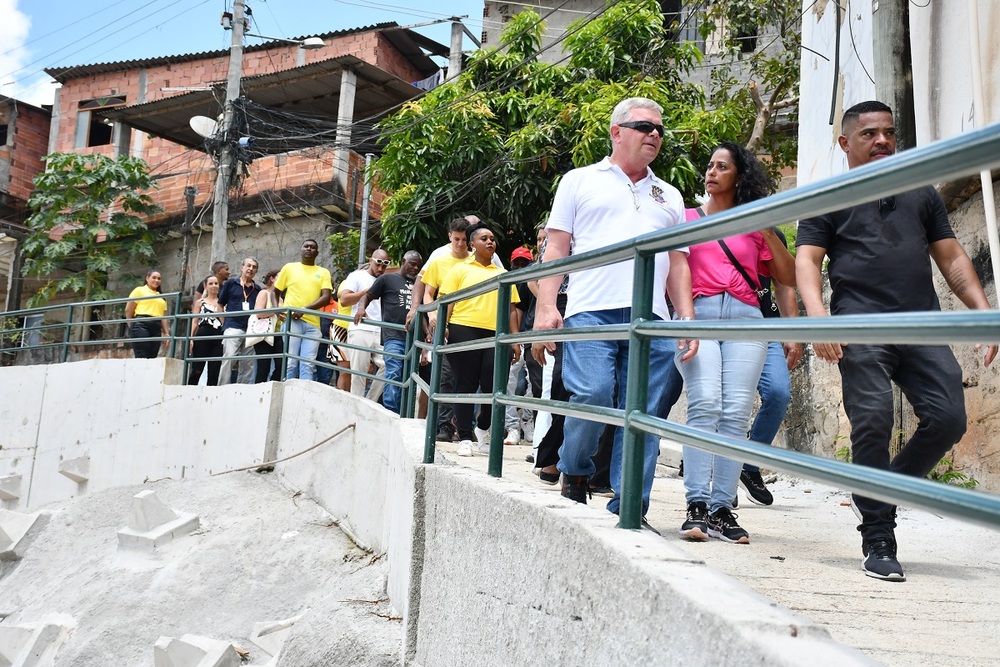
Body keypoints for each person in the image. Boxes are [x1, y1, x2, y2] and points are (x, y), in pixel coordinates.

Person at [796, 100, 997, 581]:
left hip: (920, 324)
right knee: (872, 419)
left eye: (888, 132)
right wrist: (819, 320)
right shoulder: (829, 193)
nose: (882, 140)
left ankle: (876, 494)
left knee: (948, 418)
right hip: (859, 326)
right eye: (869, 134)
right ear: (846, 143)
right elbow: (807, 261)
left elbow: (950, 258)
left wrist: (984, 315)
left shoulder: (919, 189)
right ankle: (879, 534)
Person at [532, 97, 695, 523]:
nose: (655, 134)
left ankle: (630, 509)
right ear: (617, 132)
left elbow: (679, 260)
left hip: (651, 318)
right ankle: (575, 469)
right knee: (594, 394)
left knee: (643, 413)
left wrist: (687, 317)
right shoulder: (579, 180)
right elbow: (557, 247)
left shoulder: (669, 194)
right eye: (644, 126)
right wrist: (546, 306)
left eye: (660, 129)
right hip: (590, 309)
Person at [675, 142, 795, 545]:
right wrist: (684, 321)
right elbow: (675, 273)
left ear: (739, 176)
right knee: (705, 402)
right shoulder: (688, 218)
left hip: (747, 318)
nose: (711, 172)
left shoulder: (754, 223)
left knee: (735, 411)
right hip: (699, 315)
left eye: (721, 166)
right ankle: (696, 503)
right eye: (709, 165)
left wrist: (764, 227)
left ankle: (723, 508)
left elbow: (788, 275)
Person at [439, 224, 519, 456]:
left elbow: (511, 308)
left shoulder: (503, 274)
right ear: (472, 244)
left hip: (496, 333)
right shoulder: (459, 269)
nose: (490, 242)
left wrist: (514, 340)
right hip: (463, 328)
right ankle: (464, 436)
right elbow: (448, 301)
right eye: (484, 238)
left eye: (493, 238)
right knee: (465, 384)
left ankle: (483, 428)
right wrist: (444, 326)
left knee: (493, 387)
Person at [739, 233, 803, 506]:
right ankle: (722, 478)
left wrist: (793, 333)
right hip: (723, 323)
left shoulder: (771, 233)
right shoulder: (713, 220)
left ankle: (749, 464)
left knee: (778, 392)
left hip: (765, 325)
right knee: (725, 402)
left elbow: (785, 284)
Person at [355, 250, 423, 414]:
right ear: (403, 261)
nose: (415, 268)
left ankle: (404, 413)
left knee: (409, 377)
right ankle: (392, 412)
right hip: (393, 336)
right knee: (393, 372)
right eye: (412, 264)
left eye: (418, 266)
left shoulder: (419, 284)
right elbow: (367, 296)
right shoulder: (387, 279)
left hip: (414, 338)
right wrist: (361, 308)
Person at [275, 239, 333, 381]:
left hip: (313, 325)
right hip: (292, 321)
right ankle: (286, 394)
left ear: (317, 252)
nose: (309, 249)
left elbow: (326, 297)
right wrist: (277, 308)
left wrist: (304, 309)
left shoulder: (323, 272)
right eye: (306, 246)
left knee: (308, 364)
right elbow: (275, 291)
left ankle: (303, 397)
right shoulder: (289, 268)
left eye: (312, 247)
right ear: (301, 249)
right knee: (291, 363)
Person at [503, 246, 541, 446]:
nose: (519, 267)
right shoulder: (514, 280)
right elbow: (517, 309)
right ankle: (512, 426)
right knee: (510, 380)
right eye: (516, 263)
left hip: (539, 334)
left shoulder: (537, 271)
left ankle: (528, 419)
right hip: (523, 333)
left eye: (523, 263)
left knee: (536, 383)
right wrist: (515, 339)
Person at [339, 249, 390, 400]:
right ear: (370, 260)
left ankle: (369, 402)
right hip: (361, 327)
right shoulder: (357, 276)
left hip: (380, 331)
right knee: (359, 373)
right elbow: (344, 300)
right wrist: (368, 292)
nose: (380, 268)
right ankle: (356, 406)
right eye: (377, 264)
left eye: (384, 265)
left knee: (389, 365)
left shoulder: (386, 280)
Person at [217, 257, 261, 385]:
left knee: (248, 363)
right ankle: (222, 387)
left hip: (251, 330)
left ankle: (243, 389)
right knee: (229, 357)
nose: (251, 269)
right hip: (233, 326)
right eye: (248, 266)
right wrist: (224, 323)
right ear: (242, 267)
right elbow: (220, 305)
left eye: (254, 267)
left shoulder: (257, 289)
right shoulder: (231, 283)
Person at [187, 274, 224, 385]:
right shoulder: (200, 302)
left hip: (218, 338)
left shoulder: (222, 304)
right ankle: (190, 390)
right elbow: (194, 321)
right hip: (202, 336)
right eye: (211, 283)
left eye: (216, 283)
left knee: (214, 370)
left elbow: (224, 322)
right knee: (197, 368)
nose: (214, 286)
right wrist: (191, 338)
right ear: (205, 286)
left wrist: (220, 311)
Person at [125, 269, 170, 359]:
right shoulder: (139, 290)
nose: (156, 280)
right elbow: (128, 309)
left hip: (156, 327)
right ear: (147, 278)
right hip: (141, 324)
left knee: (152, 356)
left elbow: (163, 317)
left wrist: (166, 333)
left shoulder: (162, 297)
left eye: (159, 278)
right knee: (142, 355)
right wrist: (131, 324)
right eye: (154, 278)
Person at [253, 269, 284, 383]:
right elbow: (259, 313)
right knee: (263, 366)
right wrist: (276, 312)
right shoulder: (264, 293)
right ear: (272, 278)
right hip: (264, 334)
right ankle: (259, 390)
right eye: (280, 277)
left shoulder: (280, 298)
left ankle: (272, 384)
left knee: (282, 364)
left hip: (278, 334)